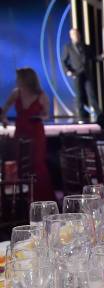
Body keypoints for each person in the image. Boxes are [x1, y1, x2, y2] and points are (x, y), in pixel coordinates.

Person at [0, 68, 55, 201]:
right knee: (20, 163)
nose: (16, 81)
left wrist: (41, 116)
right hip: (20, 132)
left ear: (26, 79)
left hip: (36, 133)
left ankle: (41, 198)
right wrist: (4, 119)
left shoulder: (41, 95)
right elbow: (5, 109)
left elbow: (47, 114)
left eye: (18, 78)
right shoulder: (16, 93)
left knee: (37, 163)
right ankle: (21, 199)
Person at [61, 28, 101, 119]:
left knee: (91, 94)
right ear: (71, 36)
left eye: (77, 34)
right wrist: (68, 71)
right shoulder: (68, 47)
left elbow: (93, 57)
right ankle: (80, 117)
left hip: (86, 73)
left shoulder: (85, 46)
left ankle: (99, 115)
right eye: (74, 34)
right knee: (79, 96)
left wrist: (101, 57)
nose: (76, 36)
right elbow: (63, 61)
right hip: (76, 74)